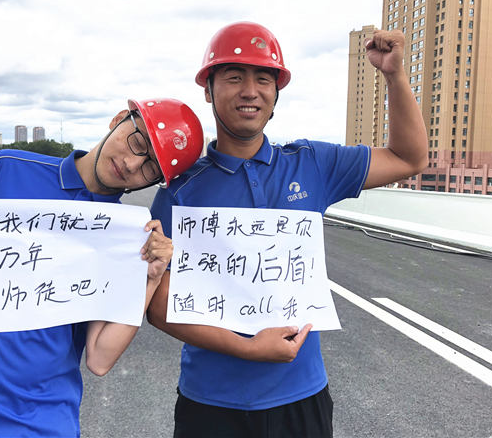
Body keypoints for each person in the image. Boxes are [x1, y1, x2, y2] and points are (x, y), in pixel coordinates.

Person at [147, 22, 428, 437]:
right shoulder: (180, 191)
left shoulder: (312, 164)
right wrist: (247, 347)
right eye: (234, 77)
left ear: (276, 92)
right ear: (208, 89)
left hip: (302, 398)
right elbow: (158, 305)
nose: (250, 91)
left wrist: (394, 75)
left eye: (264, 79)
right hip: (210, 402)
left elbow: (409, 158)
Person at [0, 98, 204, 437]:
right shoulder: (10, 167)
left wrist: (151, 278)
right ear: (120, 118)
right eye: (138, 142)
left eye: (151, 168)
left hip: (38, 422)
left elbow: (100, 358)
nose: (133, 164)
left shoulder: (126, 234)